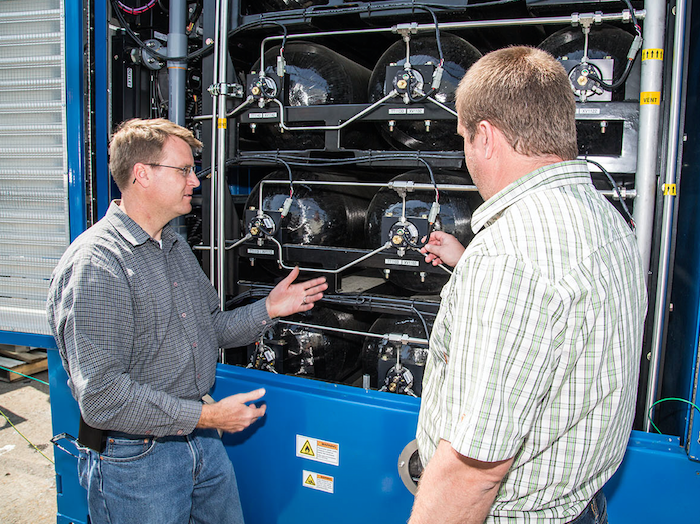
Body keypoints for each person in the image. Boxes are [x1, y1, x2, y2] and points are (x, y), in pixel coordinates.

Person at [46, 118, 328, 524]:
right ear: (141, 174)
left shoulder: (173, 245)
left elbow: (209, 328)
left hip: (199, 441)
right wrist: (208, 418)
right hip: (137, 462)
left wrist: (268, 309)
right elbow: (103, 398)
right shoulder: (98, 264)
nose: (194, 181)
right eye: (184, 170)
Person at [409, 47, 647, 524]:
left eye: (463, 138)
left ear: (486, 136)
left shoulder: (510, 255)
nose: (466, 154)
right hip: (580, 506)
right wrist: (469, 261)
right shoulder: (608, 222)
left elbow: (474, 470)